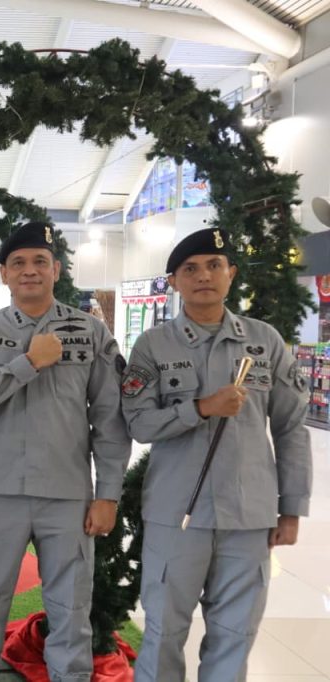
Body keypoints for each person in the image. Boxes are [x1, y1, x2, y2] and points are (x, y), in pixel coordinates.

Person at [122, 228, 312, 682]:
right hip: (175, 515)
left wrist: (291, 509)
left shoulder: (265, 341)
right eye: (190, 269)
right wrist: (201, 408)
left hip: (248, 517)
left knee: (234, 635)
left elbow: (291, 427)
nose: (203, 276)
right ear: (174, 282)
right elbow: (139, 423)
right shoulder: (153, 345)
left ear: (232, 273)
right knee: (164, 632)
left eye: (214, 266)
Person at [0, 221, 130, 681]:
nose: (30, 270)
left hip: (67, 495)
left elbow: (110, 419)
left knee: (71, 604)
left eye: (40, 262)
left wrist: (108, 494)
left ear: (57, 270)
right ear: (4, 273)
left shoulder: (90, 332)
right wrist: (28, 362)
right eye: (19, 263)